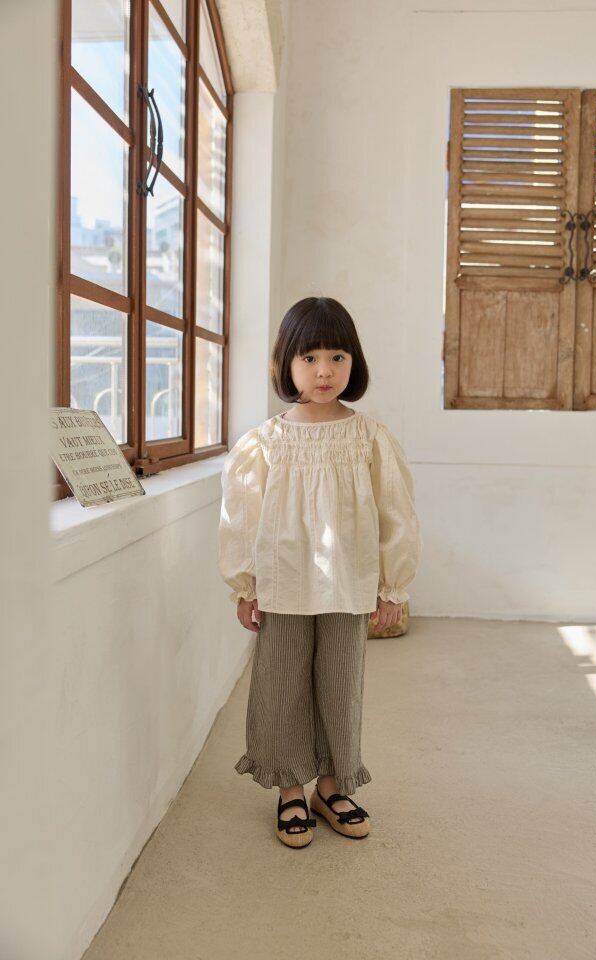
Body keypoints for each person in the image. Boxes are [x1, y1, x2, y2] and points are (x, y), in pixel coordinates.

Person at [217, 296, 422, 848]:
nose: (324, 371)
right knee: (281, 683)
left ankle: (332, 787)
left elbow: (396, 512)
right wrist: (244, 586)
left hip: (348, 582)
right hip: (282, 582)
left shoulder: (370, 437)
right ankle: (290, 787)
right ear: (286, 363)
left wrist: (393, 586)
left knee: (340, 684)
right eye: (309, 358)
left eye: (337, 357)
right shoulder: (265, 442)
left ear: (355, 362)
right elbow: (241, 518)